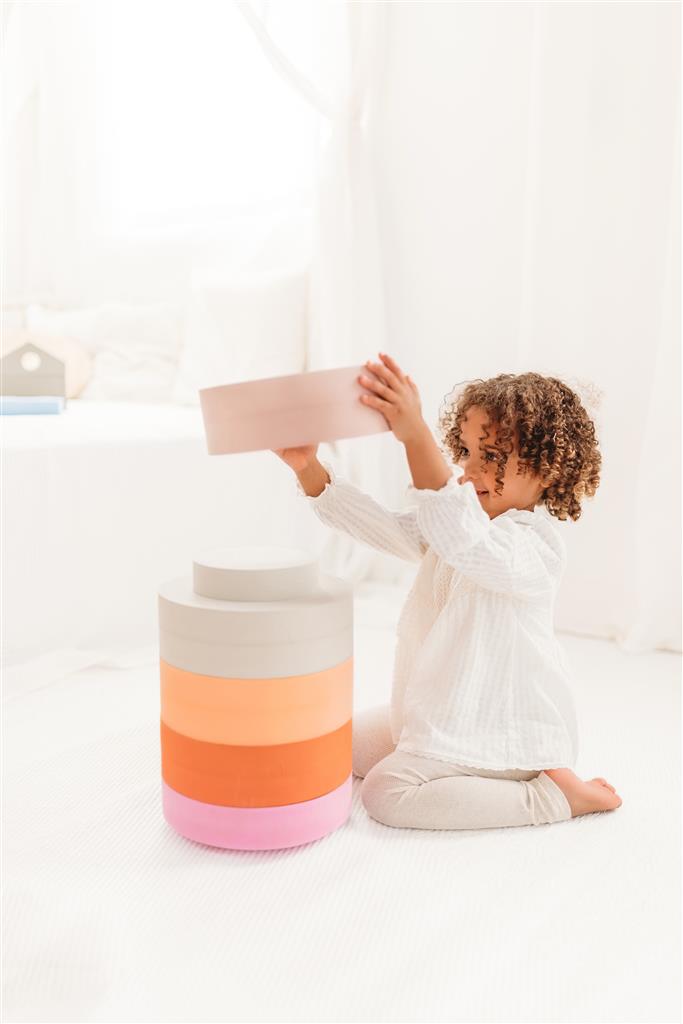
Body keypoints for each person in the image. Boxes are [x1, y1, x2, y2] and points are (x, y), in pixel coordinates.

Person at [273, 353, 622, 831]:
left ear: (547, 472)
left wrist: (413, 434)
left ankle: (551, 796)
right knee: (337, 745)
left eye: (493, 457)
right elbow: (386, 527)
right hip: (445, 707)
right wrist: (309, 468)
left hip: (501, 726)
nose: (471, 470)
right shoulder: (463, 523)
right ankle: (436, 755)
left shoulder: (535, 547)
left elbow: (461, 536)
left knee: (385, 792)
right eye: (468, 453)